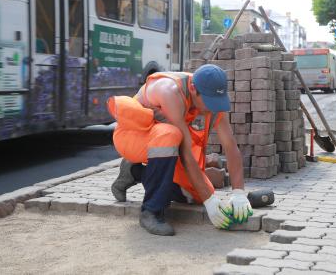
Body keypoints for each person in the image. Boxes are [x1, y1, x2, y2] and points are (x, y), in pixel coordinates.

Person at [107, 64, 253, 236]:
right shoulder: (171, 92)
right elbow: (185, 153)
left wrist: (238, 192)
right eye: (208, 102)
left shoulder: (212, 95)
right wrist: (210, 200)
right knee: (170, 135)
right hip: (132, 137)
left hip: (162, 143)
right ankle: (151, 211)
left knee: (195, 195)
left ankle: (134, 172)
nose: (211, 108)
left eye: (215, 102)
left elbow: (230, 145)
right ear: (192, 89)